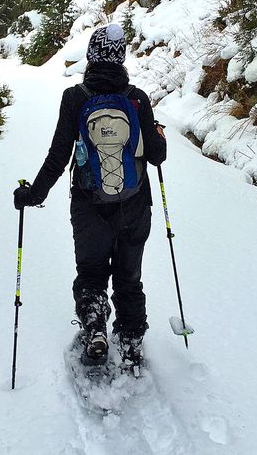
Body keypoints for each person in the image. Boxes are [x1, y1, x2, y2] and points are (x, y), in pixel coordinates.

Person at [13, 24, 166, 371]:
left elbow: (58, 156)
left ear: (92, 56)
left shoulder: (75, 97)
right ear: (121, 57)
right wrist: (157, 135)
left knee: (92, 274)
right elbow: (156, 156)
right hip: (135, 206)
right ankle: (130, 345)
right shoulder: (137, 98)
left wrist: (32, 195)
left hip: (88, 206)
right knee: (129, 280)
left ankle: (95, 329)